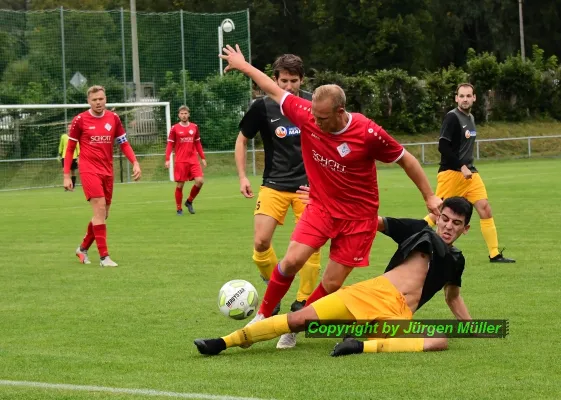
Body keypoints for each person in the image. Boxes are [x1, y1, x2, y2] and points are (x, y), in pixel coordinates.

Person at [218, 44, 442, 349]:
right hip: (321, 207)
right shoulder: (307, 114)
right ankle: (263, 315)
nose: (316, 123)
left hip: (358, 218)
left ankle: (295, 325)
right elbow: (271, 87)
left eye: (323, 118)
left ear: (340, 112)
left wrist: (429, 196)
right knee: (292, 260)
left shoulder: (367, 132)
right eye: (314, 116)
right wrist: (243, 65)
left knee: (333, 283)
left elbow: (406, 159)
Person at [194, 195, 474, 356]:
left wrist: (472, 326)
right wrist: (328, 201)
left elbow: (453, 298)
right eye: (445, 219)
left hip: (398, 315)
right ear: (438, 217)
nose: (448, 227)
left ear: (466, 229)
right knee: (300, 320)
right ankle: (222, 342)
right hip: (372, 292)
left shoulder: (456, 261)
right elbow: (372, 221)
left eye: (456, 224)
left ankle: (358, 346)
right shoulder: (419, 230)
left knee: (439, 340)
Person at [235, 54, 321, 323]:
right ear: (274, 80)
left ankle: (302, 301)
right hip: (273, 183)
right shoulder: (262, 106)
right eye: (283, 80)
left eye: (293, 81)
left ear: (302, 80)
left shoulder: (314, 103)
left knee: (311, 247)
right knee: (261, 243)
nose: (288, 87)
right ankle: (276, 288)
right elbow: (241, 139)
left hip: (308, 187)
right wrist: (242, 177)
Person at [424, 83, 515, 263]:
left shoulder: (471, 117)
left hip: (470, 174)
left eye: (468, 96)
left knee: (485, 208)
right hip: (451, 173)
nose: (465, 99)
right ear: (456, 98)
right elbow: (443, 146)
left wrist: (467, 167)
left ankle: (494, 253)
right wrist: (461, 166)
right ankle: (413, 239)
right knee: (438, 214)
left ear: (474, 98)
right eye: (462, 96)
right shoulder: (452, 117)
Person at [63, 85, 141, 267]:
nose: (98, 102)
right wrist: (67, 175)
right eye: (94, 100)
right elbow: (70, 149)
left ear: (105, 99)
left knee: (103, 214)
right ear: (88, 101)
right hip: (88, 168)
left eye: (101, 99)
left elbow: (124, 143)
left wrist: (135, 162)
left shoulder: (113, 118)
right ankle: (104, 257)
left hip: (107, 170)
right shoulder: (80, 120)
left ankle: (82, 249)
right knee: (99, 207)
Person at [165, 105, 207, 215]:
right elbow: (170, 144)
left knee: (200, 181)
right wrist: (167, 159)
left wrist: (202, 157)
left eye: (185, 113)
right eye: (182, 113)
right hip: (181, 160)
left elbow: (197, 143)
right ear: (179, 115)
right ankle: (179, 208)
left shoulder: (194, 127)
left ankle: (189, 201)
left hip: (193, 160)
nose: (184, 115)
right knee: (180, 185)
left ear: (189, 114)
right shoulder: (174, 128)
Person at [58, 124, 80, 191]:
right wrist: (59, 153)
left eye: (71, 127)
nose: (70, 128)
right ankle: (67, 186)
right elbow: (61, 145)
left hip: (74, 157)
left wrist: (79, 155)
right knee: (65, 171)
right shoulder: (63, 136)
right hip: (65, 156)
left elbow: (77, 146)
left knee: (73, 172)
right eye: (68, 127)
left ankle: (72, 187)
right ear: (67, 128)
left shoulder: (75, 136)